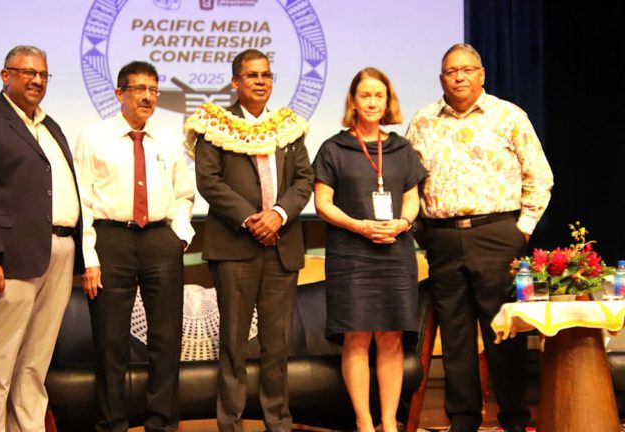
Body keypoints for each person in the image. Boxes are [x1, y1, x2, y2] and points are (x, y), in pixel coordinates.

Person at [405, 43, 553, 432]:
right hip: (442, 238)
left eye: (467, 70)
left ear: (481, 74)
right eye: (451, 71)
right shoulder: (422, 121)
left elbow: (540, 177)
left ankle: (514, 419)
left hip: (497, 234)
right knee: (454, 336)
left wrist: (520, 231)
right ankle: (464, 420)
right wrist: (423, 231)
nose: (459, 77)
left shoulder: (508, 116)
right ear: (441, 78)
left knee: (503, 331)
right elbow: (408, 185)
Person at [0, 45, 84, 432]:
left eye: (42, 74)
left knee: (35, 359)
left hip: (59, 251)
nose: (36, 80)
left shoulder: (50, 125)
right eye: (26, 72)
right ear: (4, 75)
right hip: (11, 255)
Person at [190, 49, 314, 432]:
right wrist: (250, 219)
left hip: (282, 246)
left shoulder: (287, 127)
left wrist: (277, 215)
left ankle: (278, 421)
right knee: (233, 344)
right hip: (234, 248)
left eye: (266, 75)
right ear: (236, 82)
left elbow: (304, 180)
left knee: (277, 345)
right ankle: (231, 423)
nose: (260, 81)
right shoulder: (217, 124)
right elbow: (209, 181)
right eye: (252, 75)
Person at [74, 61, 194, 432]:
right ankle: (112, 423)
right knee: (111, 341)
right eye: (139, 89)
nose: (147, 97)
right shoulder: (94, 137)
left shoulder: (170, 139)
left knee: (166, 338)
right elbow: (83, 201)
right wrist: (89, 256)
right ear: (119, 93)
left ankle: (162, 423)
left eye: (154, 90)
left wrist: (180, 235)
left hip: (160, 239)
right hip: (112, 240)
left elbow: (184, 193)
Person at [312, 67, 425, 432]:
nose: (373, 102)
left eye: (379, 95)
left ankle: (389, 423)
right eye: (365, 96)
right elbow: (322, 204)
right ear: (353, 102)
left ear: (387, 101)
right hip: (351, 254)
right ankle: (363, 422)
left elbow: (412, 199)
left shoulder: (401, 149)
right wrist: (360, 226)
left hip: (395, 251)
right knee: (357, 337)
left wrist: (403, 223)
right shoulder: (334, 147)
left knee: (391, 338)